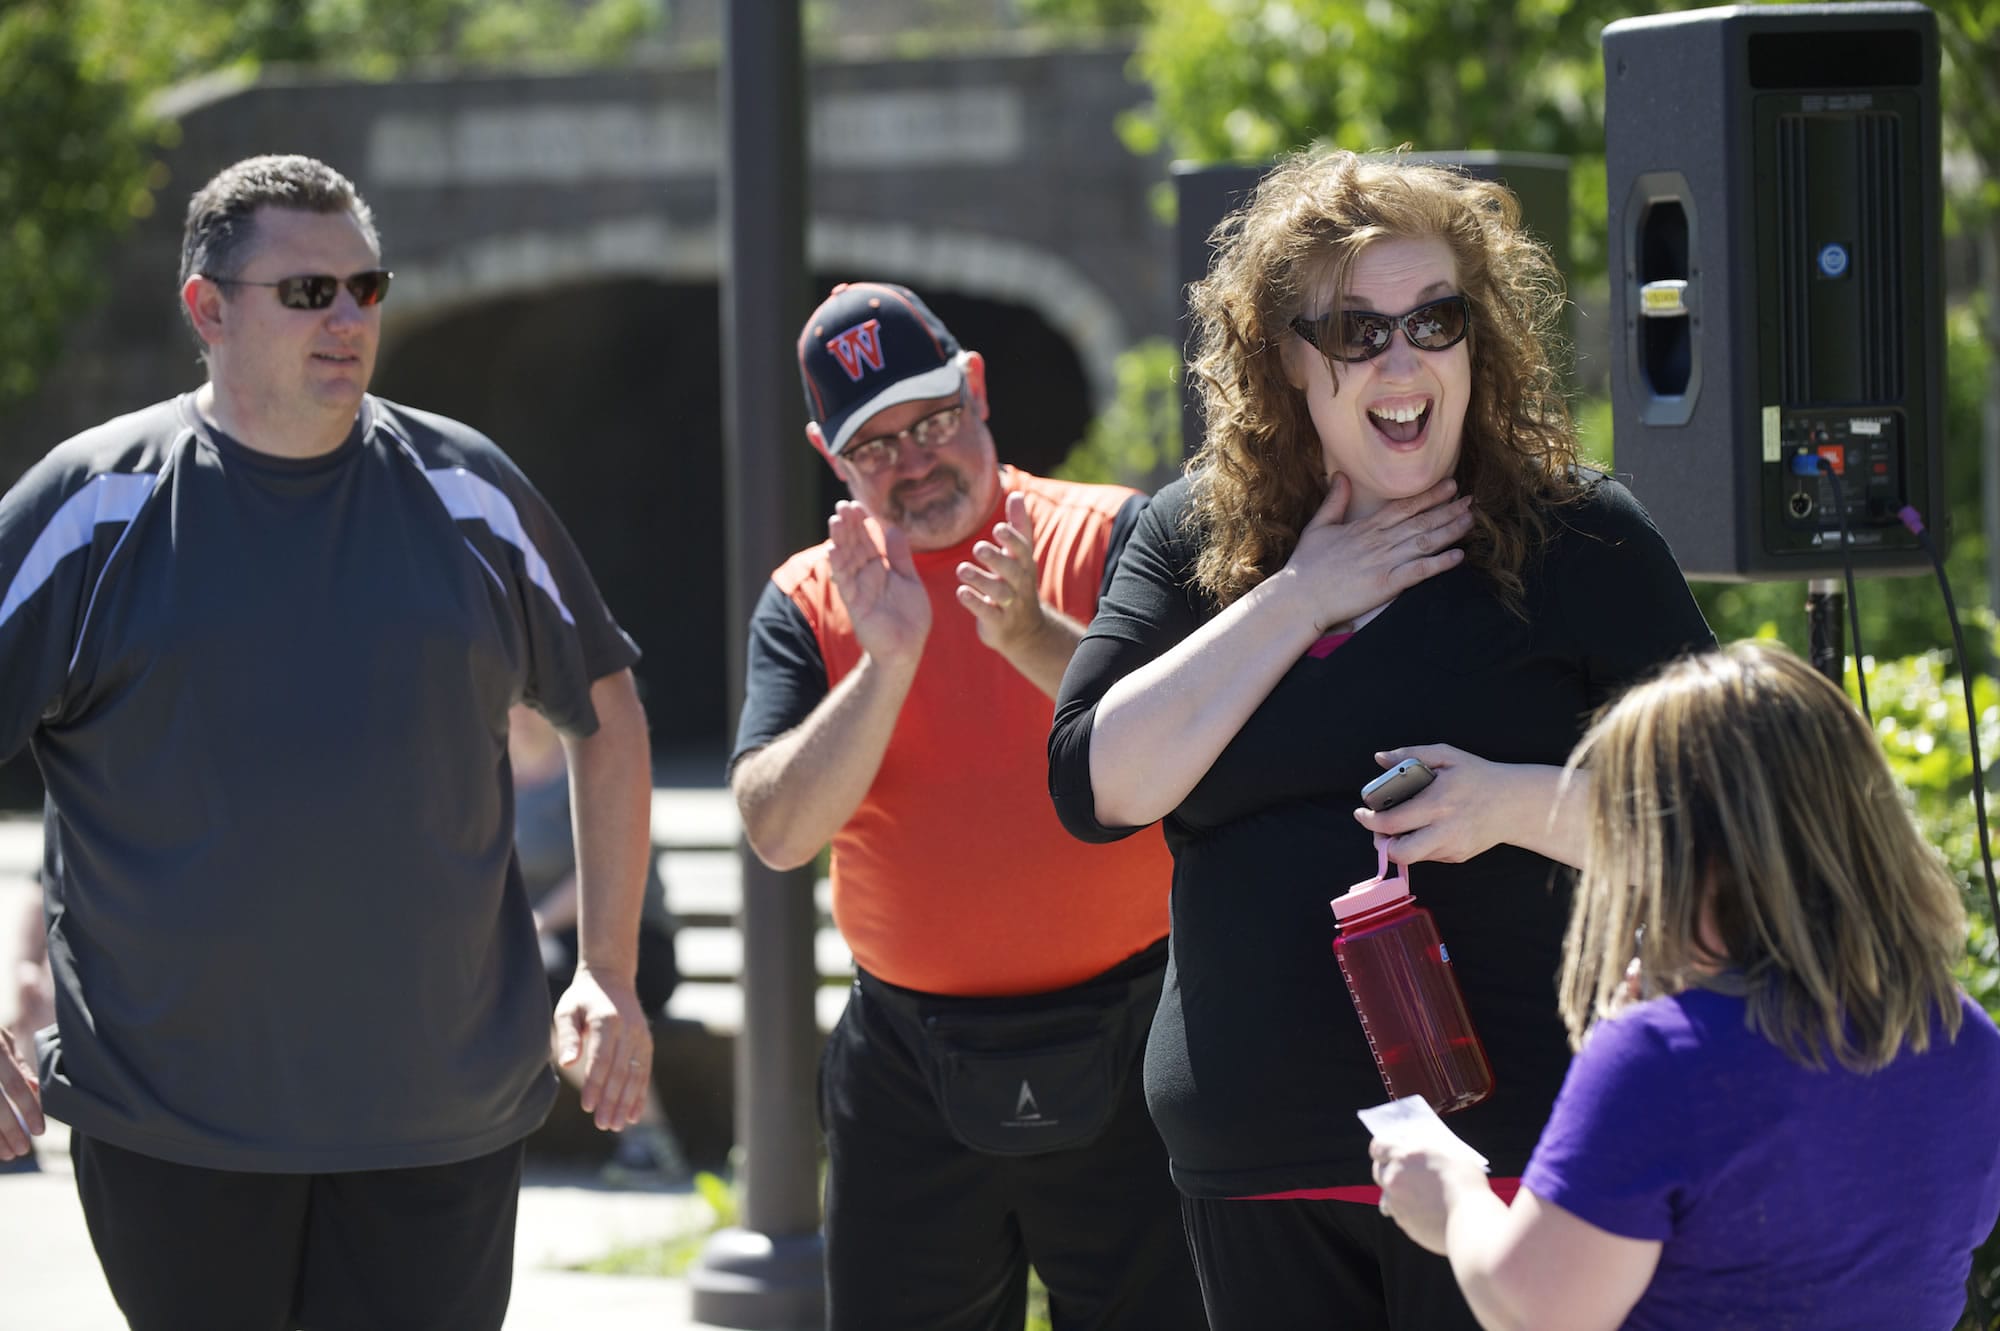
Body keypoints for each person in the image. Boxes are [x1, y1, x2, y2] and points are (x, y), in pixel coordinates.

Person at [1047, 148, 1713, 1330]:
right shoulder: (1189, 535)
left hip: (1512, 1149)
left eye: (1435, 321)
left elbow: (1723, 817)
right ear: (1288, 357)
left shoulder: (1582, 535)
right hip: (1257, 1155)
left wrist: (1510, 802)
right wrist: (1300, 594)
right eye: (1357, 331)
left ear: (1479, 340)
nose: (1402, 361)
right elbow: (1099, 785)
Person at [0, 155, 655, 1331]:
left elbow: (604, 715)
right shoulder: (90, 505)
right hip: (171, 1120)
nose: (349, 317)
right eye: (309, 292)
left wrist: (607, 967)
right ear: (207, 308)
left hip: (440, 1117)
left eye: (367, 286)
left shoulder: (470, 490)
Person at [730, 281, 1203, 1331]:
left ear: (975, 387)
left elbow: (1189, 747)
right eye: (874, 447)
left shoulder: (1110, 533)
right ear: (829, 456)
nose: (914, 462)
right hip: (908, 1066)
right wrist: (885, 660)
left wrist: (1031, 632)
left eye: (932, 421)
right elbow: (776, 829)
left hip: (1132, 1037)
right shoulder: (814, 596)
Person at [1371, 641, 2000, 1330]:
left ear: (1687, 848)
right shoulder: (1963, 1035)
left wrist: (1453, 1195)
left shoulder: (1658, 1058)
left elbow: (1534, 1311)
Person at [508, 702, 687, 1184]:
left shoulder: (590, 762)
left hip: (629, 940)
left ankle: (649, 1138)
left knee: (552, 996)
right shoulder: (489, 775)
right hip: (538, 949)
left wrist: (538, 921)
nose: (516, 711)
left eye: (526, 700)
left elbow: (606, 866)